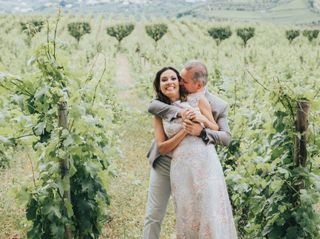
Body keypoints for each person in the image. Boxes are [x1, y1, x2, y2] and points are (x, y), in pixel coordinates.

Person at [143, 61, 237, 238]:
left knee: (202, 210)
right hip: (166, 161)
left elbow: (225, 137)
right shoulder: (163, 102)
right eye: (178, 78)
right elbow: (152, 107)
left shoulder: (213, 103)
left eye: (182, 80)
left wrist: (201, 131)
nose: (177, 82)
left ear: (198, 85)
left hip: (198, 163)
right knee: (154, 213)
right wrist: (180, 117)